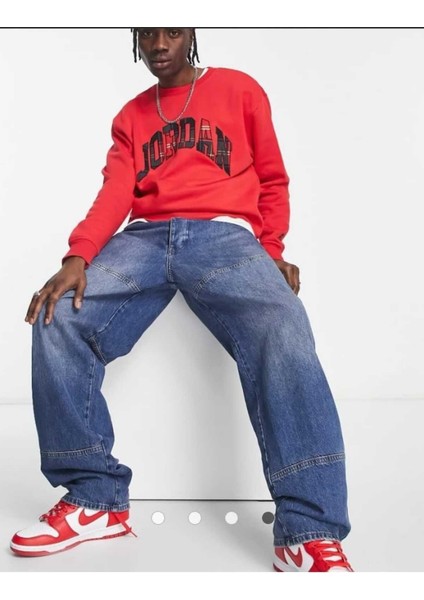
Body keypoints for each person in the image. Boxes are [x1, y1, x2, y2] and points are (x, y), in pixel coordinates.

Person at [10, 28, 354, 571]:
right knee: (57, 316)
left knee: (283, 325)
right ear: (136, 40)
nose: (159, 44)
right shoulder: (130, 116)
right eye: (148, 33)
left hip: (225, 234)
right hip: (145, 237)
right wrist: (78, 256)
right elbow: (115, 192)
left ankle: (306, 531)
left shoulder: (239, 89)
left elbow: (272, 178)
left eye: (172, 31)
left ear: (192, 33)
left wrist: (270, 250)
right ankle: (95, 498)